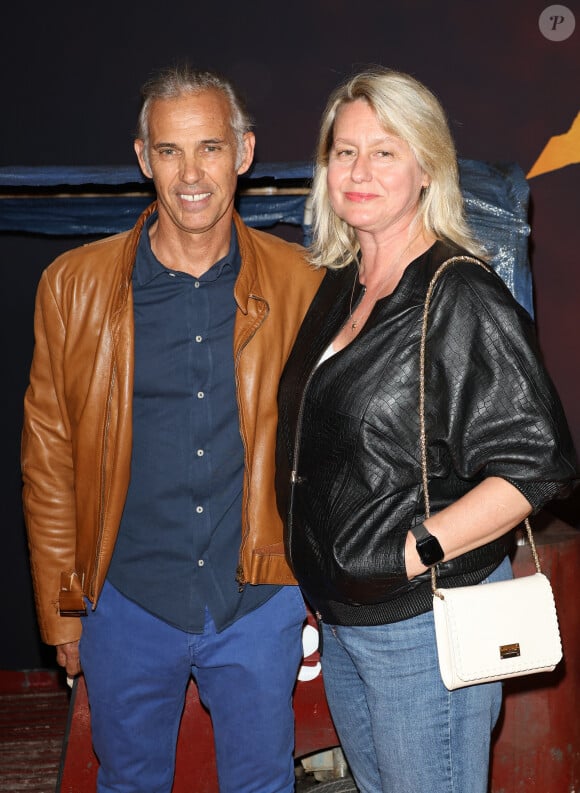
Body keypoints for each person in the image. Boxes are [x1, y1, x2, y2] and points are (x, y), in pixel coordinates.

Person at [21, 64, 323, 793]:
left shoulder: (301, 282)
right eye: (169, 150)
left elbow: (330, 444)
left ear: (244, 152)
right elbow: (49, 456)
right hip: (124, 602)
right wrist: (62, 612)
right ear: (142, 157)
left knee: (263, 786)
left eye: (211, 148)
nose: (191, 173)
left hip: (257, 600)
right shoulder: (74, 284)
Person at [275, 67, 578, 793]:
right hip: (348, 619)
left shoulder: (459, 291)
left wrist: (413, 551)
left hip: (422, 625)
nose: (360, 169)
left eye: (385, 150)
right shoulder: (342, 283)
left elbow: (539, 465)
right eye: (344, 151)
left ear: (426, 168)